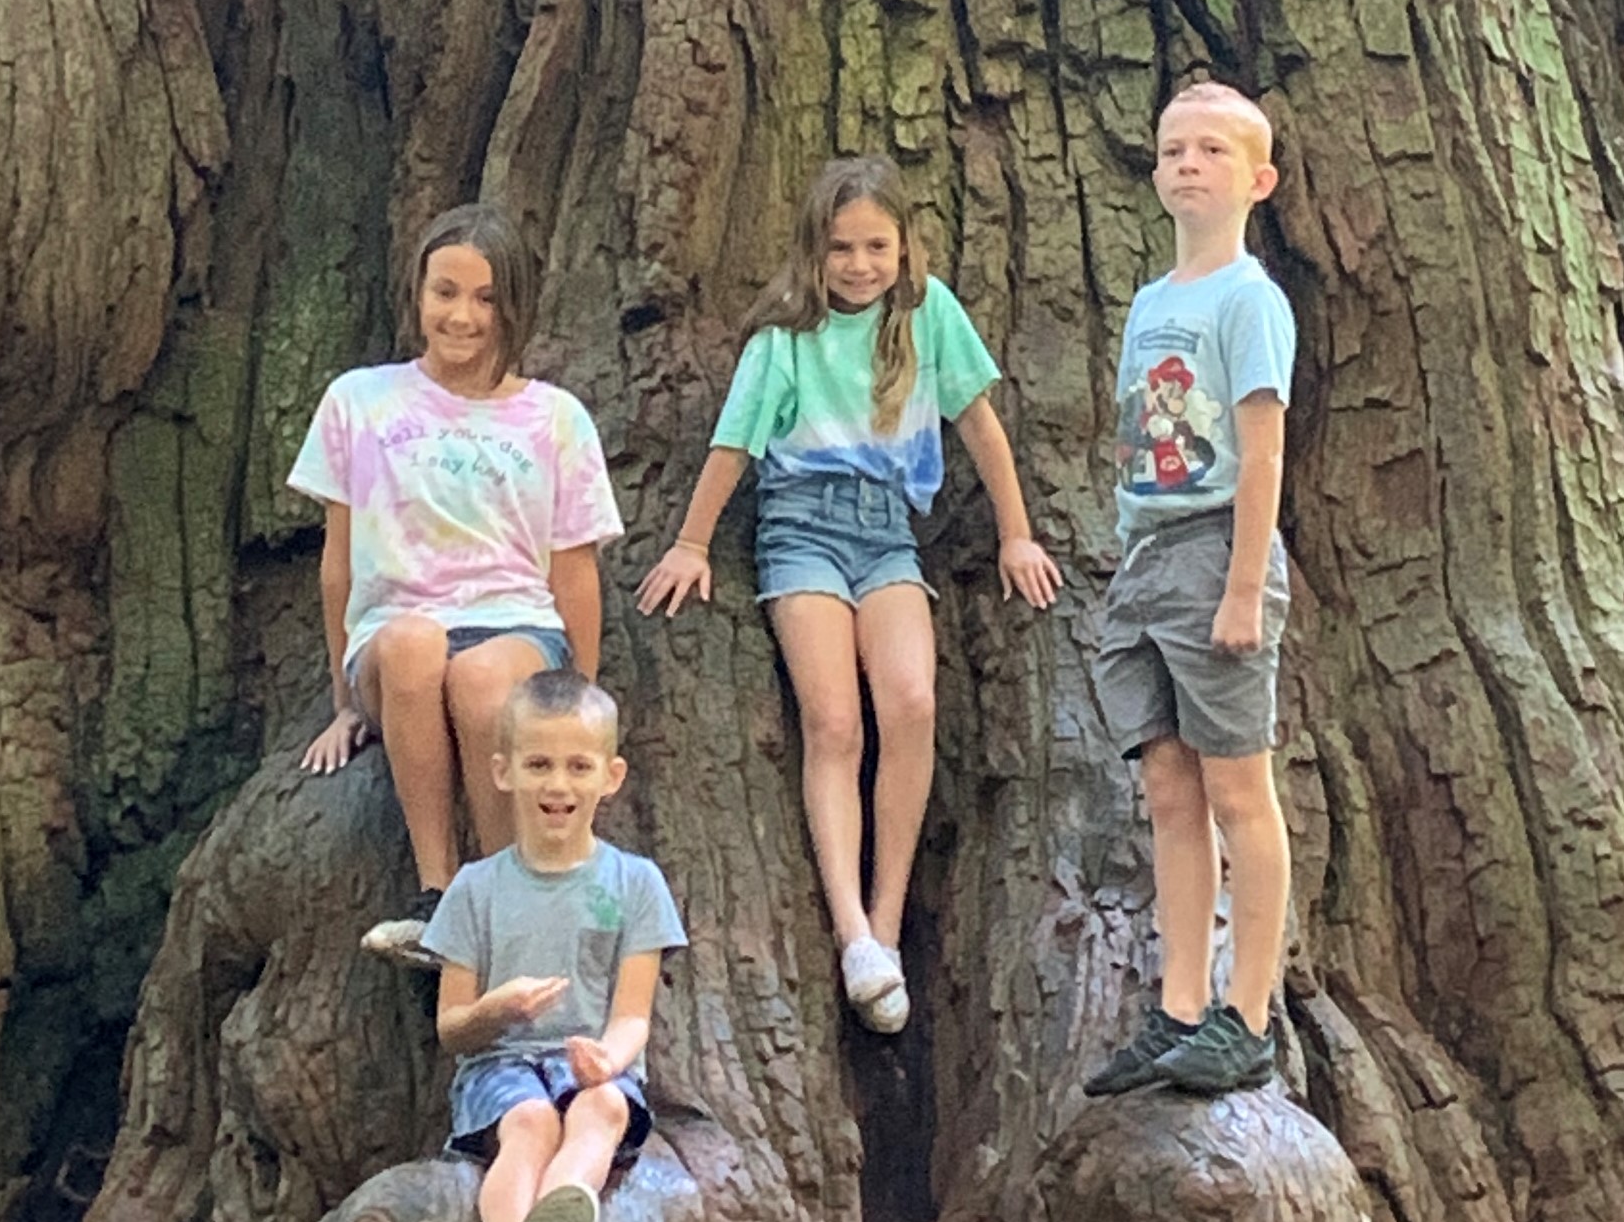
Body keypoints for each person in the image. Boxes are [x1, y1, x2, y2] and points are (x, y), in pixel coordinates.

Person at [637, 153, 1058, 1036]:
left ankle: (889, 925)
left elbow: (979, 424)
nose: (860, 265)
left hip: (888, 532)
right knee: (836, 722)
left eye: (876, 246)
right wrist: (689, 542)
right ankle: (850, 930)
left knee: (910, 702)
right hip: (800, 525)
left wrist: (1018, 531)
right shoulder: (783, 339)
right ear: (813, 253)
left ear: (905, 247)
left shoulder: (928, 316)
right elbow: (736, 443)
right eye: (841, 249)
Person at [292, 203, 620, 964]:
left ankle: (514, 895)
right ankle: (438, 897)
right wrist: (344, 702)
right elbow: (338, 560)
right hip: (394, 633)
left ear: (513, 307)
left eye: (483, 298)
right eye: (445, 293)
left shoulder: (556, 418)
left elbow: (575, 569)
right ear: (419, 295)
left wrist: (584, 705)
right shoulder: (358, 401)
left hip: (515, 627)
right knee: (413, 644)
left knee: (478, 679)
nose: (462, 316)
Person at [1083, 80, 1297, 1100]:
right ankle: (1177, 1006)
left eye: (1211, 149)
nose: (1187, 164)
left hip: (1218, 551)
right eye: (1173, 148)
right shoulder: (1151, 302)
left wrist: (1244, 587)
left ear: (1255, 179)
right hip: (1148, 556)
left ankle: (1247, 1012)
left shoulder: (1247, 299)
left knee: (1234, 789)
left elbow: (1260, 452)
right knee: (1167, 788)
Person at [425, 667, 687, 1222]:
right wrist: (495, 1010)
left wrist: (609, 1057)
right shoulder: (475, 891)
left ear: (611, 775)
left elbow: (633, 1013)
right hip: (500, 1065)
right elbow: (451, 1027)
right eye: (539, 765)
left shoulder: (635, 883)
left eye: (577, 766)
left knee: (599, 1108)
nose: (558, 785)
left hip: (591, 1059)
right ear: (504, 771)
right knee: (531, 1123)